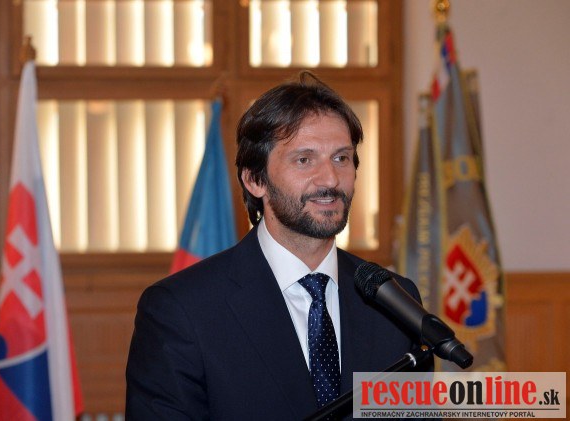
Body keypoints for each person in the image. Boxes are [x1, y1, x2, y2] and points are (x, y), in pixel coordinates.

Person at [125, 72, 429, 420]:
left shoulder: (394, 301)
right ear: (255, 180)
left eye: (341, 158)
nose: (330, 179)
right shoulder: (181, 310)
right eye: (304, 160)